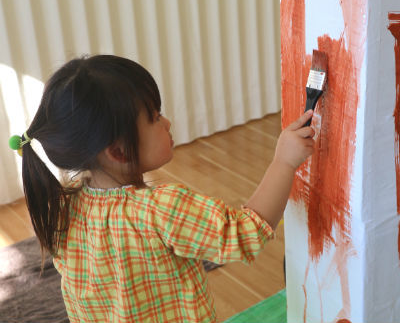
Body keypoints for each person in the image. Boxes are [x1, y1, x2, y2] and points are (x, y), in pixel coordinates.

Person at [9, 55, 315, 322]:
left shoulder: (62, 207)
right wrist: (283, 162)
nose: (167, 122)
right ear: (118, 151)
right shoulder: (161, 210)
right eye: (155, 118)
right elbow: (244, 233)